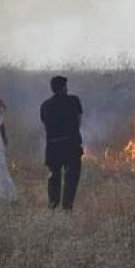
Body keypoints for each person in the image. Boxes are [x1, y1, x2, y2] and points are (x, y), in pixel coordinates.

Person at [40, 75, 84, 211]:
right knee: (72, 176)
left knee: (54, 175)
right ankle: (67, 207)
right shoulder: (74, 101)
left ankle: (53, 205)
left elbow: (45, 126)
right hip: (71, 145)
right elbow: (79, 120)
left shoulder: (45, 105)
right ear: (64, 87)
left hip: (53, 145)